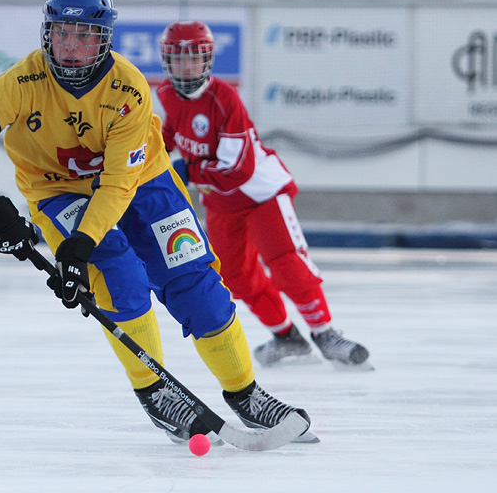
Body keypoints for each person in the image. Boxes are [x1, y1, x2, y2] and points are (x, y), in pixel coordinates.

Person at [0, 0, 314, 444]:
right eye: (61, 33)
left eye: (84, 35)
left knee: (195, 282)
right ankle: (155, 390)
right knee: (119, 277)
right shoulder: (20, 81)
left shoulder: (129, 89)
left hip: (141, 181)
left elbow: (116, 184)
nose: (70, 47)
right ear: (46, 33)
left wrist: (79, 243)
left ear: (104, 39)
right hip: (58, 191)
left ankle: (246, 393)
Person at [155, 19, 371, 369]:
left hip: (260, 193)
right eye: (178, 59)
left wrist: (187, 171)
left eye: (194, 58)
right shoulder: (166, 94)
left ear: (207, 59)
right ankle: (287, 337)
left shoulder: (223, 98)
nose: (186, 66)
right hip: (220, 200)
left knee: (287, 264)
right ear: (166, 61)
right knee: (234, 276)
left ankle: (325, 333)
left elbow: (238, 167)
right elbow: (173, 133)